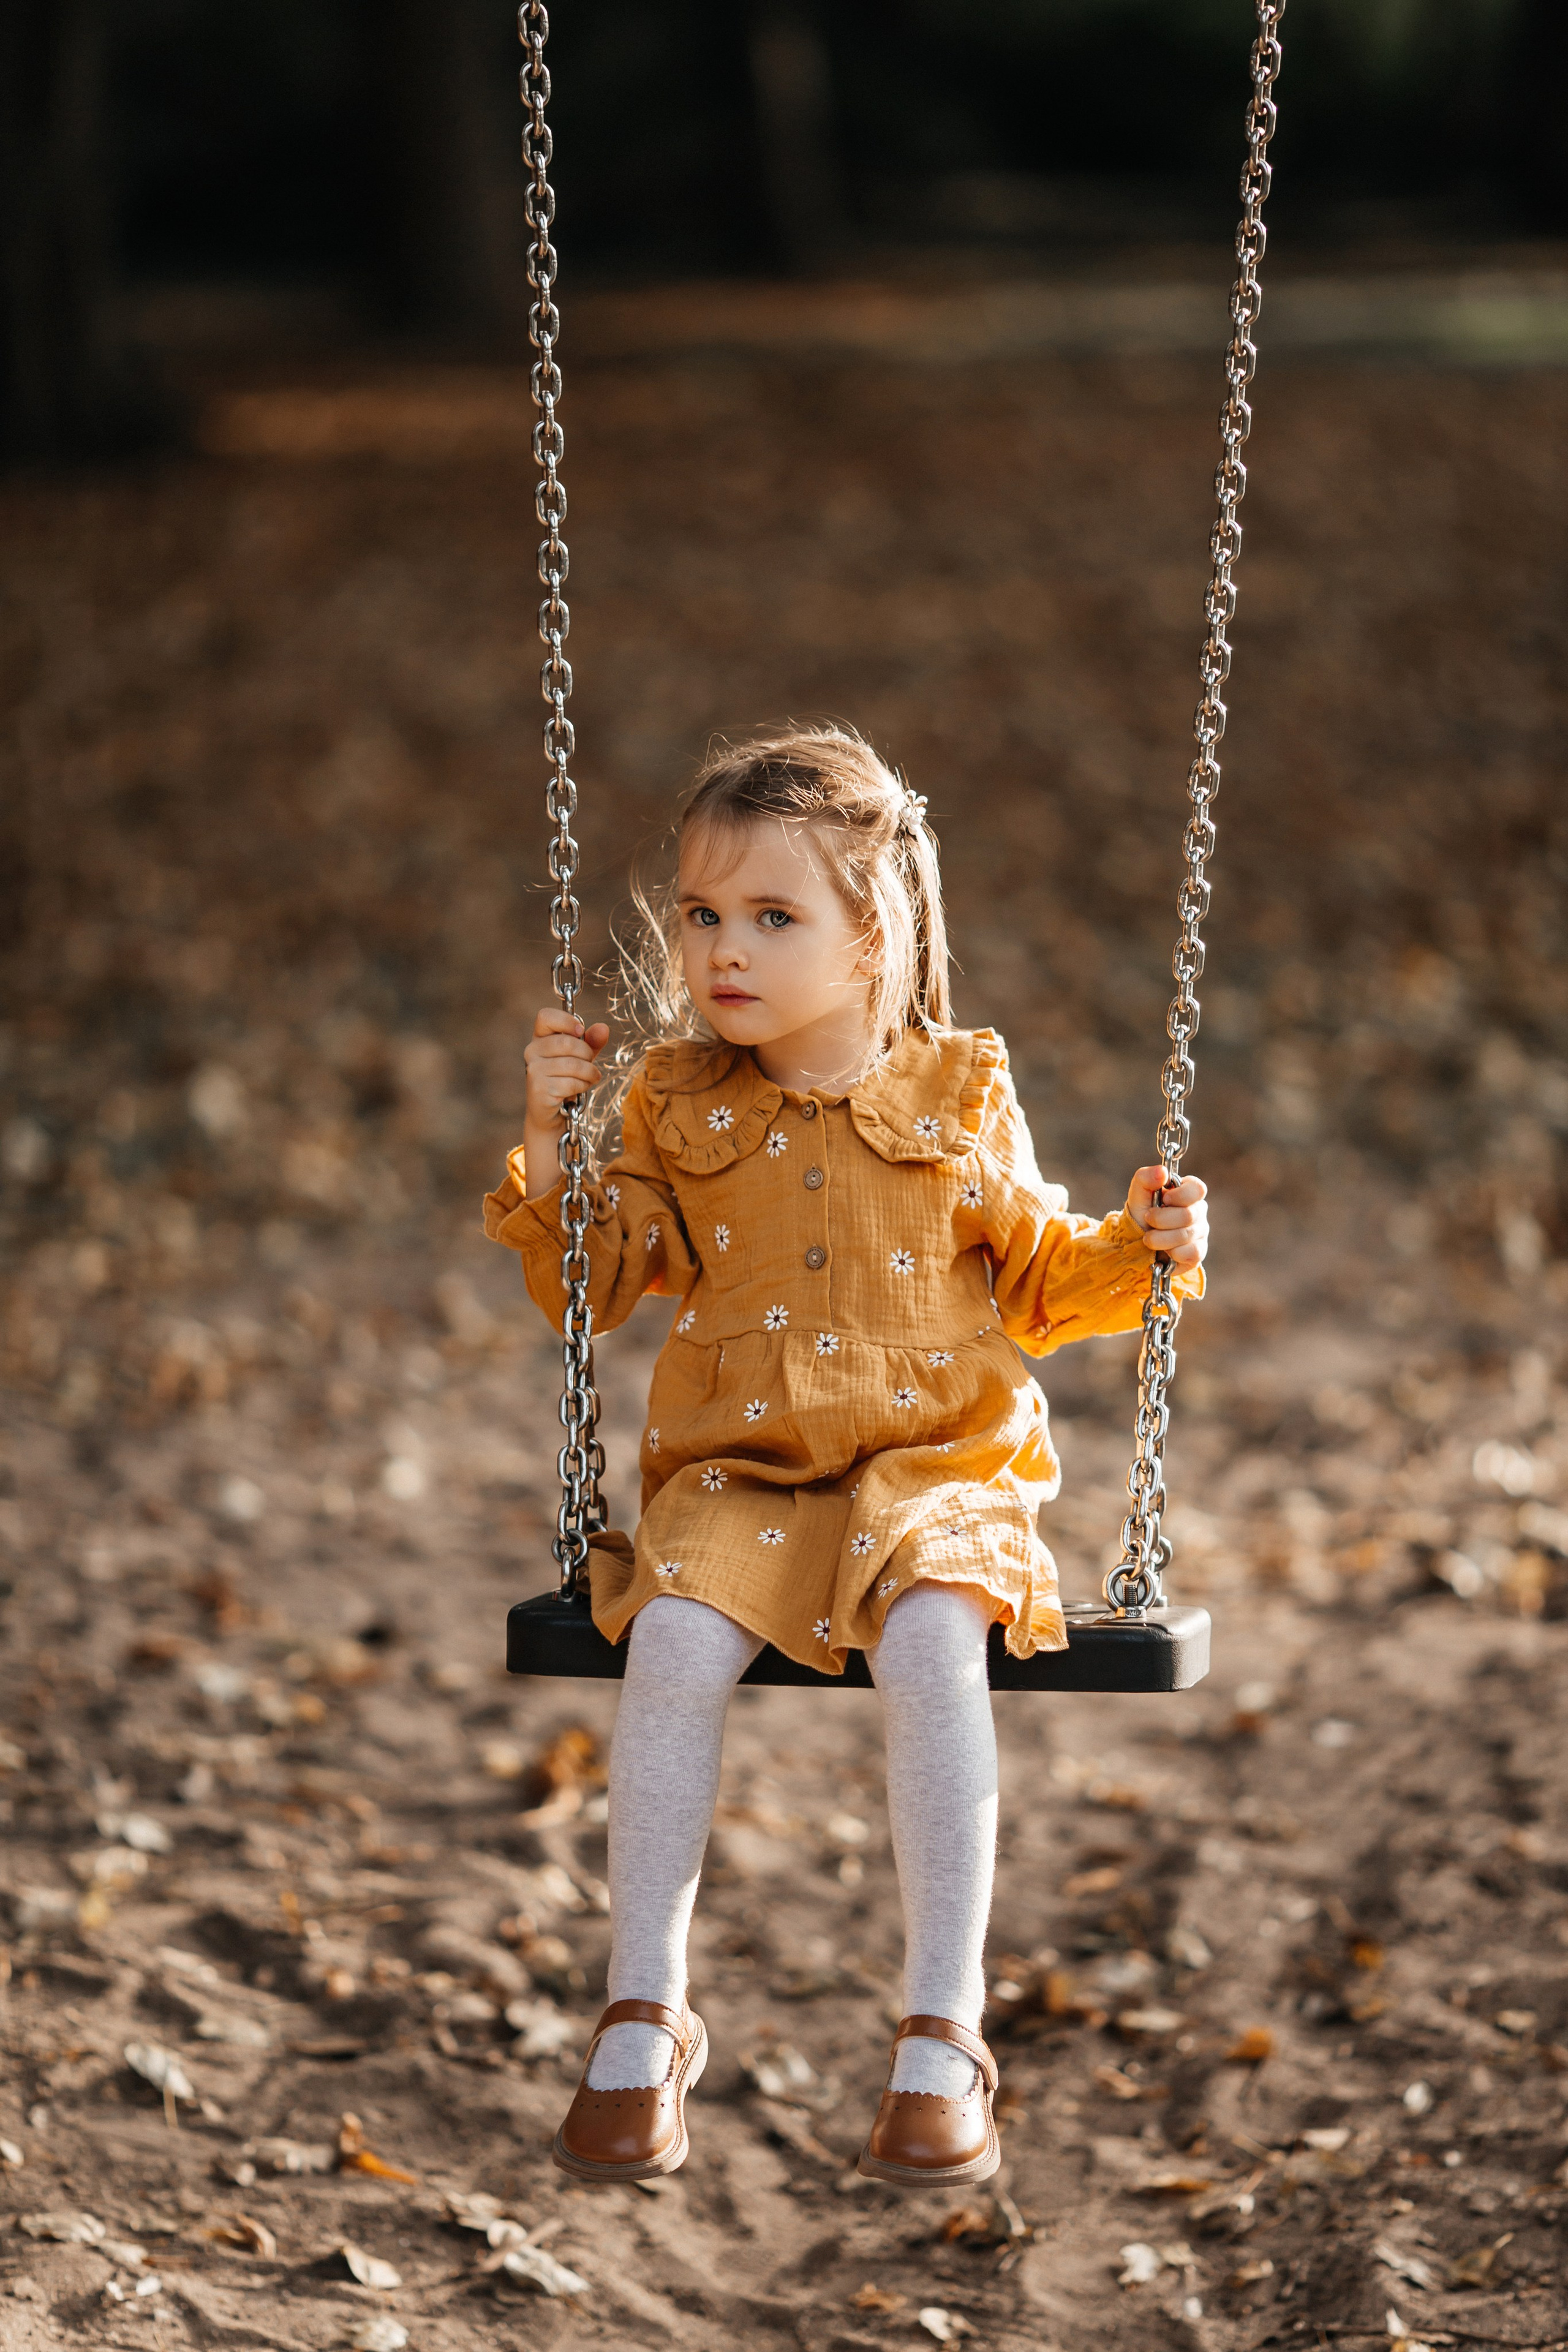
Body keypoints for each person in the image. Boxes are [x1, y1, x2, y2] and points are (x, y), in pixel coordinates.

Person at [484, 726, 1208, 2187]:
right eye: (699, 915)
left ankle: (940, 2031)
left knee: (935, 1642)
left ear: (872, 939)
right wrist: (550, 1139)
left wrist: (1149, 1248)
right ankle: (643, 2014)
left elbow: (1039, 1279)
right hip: (740, 1477)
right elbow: (598, 1281)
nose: (719, 951)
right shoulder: (675, 1103)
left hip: (937, 1472)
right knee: (672, 1642)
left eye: (769, 918)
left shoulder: (953, 1093)